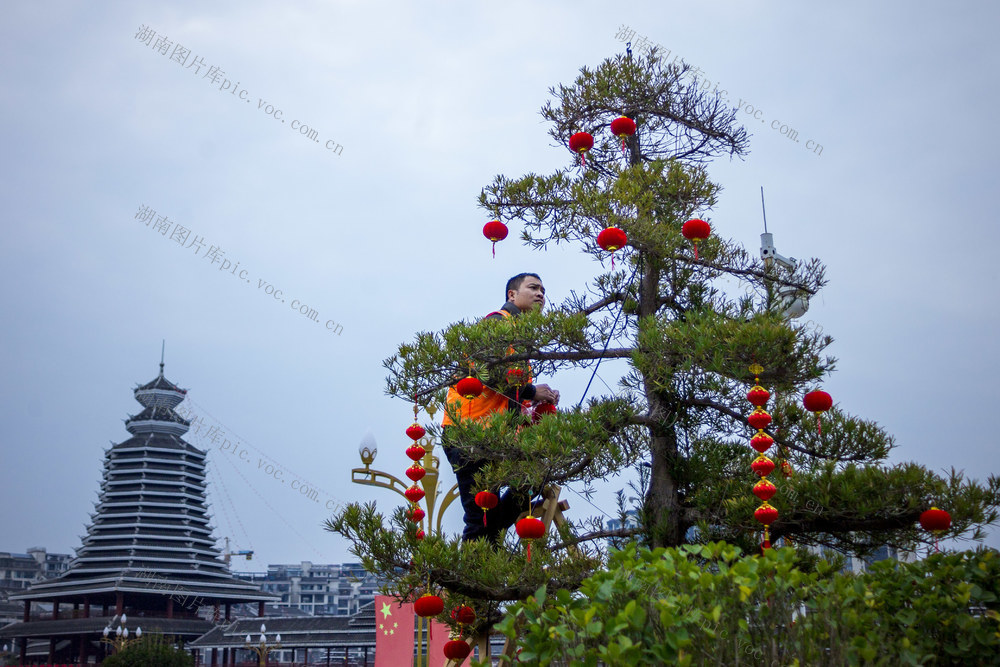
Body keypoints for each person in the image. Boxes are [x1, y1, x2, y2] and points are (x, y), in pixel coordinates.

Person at [441, 273, 560, 543]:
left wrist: (538, 398)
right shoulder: (496, 323)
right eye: (533, 288)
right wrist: (531, 391)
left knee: (532, 479)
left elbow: (510, 396)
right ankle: (472, 580)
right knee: (479, 517)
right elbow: (488, 375)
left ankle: (489, 551)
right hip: (469, 434)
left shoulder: (519, 339)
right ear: (512, 295)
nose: (541, 294)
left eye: (543, 289)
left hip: (495, 437)